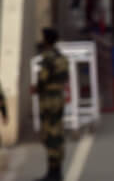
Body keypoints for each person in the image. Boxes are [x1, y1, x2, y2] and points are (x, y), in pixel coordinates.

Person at [32, 28, 69, 181]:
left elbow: (43, 78)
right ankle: (57, 170)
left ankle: (52, 172)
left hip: (48, 99)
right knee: (58, 132)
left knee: (50, 134)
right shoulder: (61, 57)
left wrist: (37, 88)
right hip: (59, 98)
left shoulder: (48, 58)